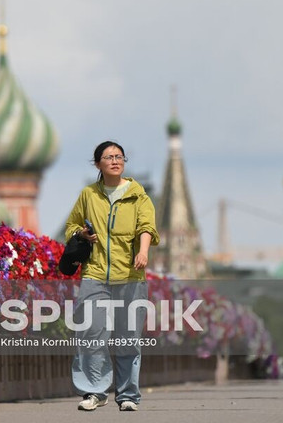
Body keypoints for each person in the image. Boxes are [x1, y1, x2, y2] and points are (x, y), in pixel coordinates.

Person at [64, 141, 160, 412]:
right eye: (109, 157)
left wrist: (143, 252)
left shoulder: (139, 195)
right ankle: (95, 391)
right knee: (91, 333)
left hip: (130, 276)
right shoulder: (88, 195)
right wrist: (82, 233)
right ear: (98, 164)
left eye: (119, 156)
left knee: (128, 338)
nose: (115, 161)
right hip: (95, 274)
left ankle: (128, 394)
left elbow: (147, 227)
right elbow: (71, 225)